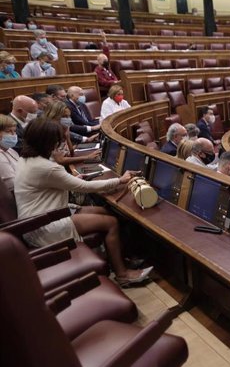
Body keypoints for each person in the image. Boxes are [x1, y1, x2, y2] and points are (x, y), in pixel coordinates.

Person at [14, 118, 151, 285]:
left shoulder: (26, 158)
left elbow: (51, 185)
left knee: (104, 211)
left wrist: (70, 179)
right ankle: (122, 274)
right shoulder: (46, 167)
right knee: (111, 222)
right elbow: (84, 187)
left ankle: (119, 259)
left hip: (40, 216)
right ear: (47, 141)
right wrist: (120, 180)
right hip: (44, 224)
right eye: (57, 141)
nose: (60, 144)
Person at [0, 115, 19, 194]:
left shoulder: (10, 150)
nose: (13, 135)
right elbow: (12, 184)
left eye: (14, 131)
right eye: (8, 131)